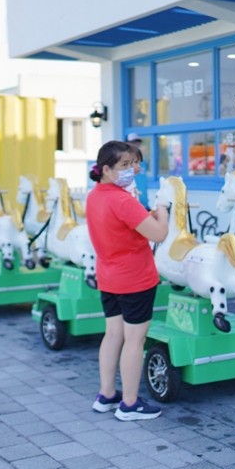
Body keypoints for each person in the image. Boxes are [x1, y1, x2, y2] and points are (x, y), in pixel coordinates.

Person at [86, 141, 169, 421]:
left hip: (109, 278)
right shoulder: (122, 200)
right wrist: (163, 208)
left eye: (133, 164)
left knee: (113, 335)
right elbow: (158, 234)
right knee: (135, 340)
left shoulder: (96, 195)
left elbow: (126, 226)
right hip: (135, 279)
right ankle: (130, 404)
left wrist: (146, 215)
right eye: (124, 165)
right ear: (106, 169)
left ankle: (106, 395)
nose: (131, 169)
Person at [126, 133, 150, 209]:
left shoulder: (143, 163)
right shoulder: (125, 163)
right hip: (133, 204)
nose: (136, 145)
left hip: (144, 203)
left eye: (138, 143)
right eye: (133, 143)